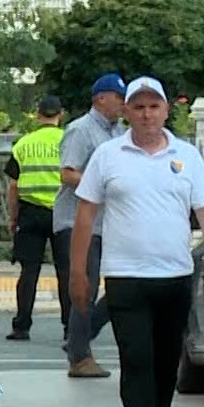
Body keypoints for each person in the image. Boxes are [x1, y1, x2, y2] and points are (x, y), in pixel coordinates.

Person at [69, 77, 204, 407]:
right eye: (138, 107)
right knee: (136, 359)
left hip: (174, 276)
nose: (147, 114)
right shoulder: (108, 155)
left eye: (154, 106)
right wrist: (77, 272)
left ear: (167, 111)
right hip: (125, 276)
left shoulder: (186, 156)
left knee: (165, 363)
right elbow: (85, 213)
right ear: (127, 112)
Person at [58, 73, 129, 378]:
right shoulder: (81, 130)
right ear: (101, 98)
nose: (123, 104)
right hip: (77, 222)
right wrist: (100, 184)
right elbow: (67, 173)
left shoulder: (120, 133)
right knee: (84, 288)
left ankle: (79, 337)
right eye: (119, 97)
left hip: (108, 224)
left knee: (120, 288)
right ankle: (79, 357)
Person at [2, 96, 67, 342]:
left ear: (38, 115)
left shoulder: (24, 145)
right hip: (62, 212)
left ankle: (21, 326)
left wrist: (13, 217)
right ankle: (70, 327)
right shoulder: (67, 142)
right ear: (60, 114)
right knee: (66, 272)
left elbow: (13, 186)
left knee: (28, 272)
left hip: (30, 213)